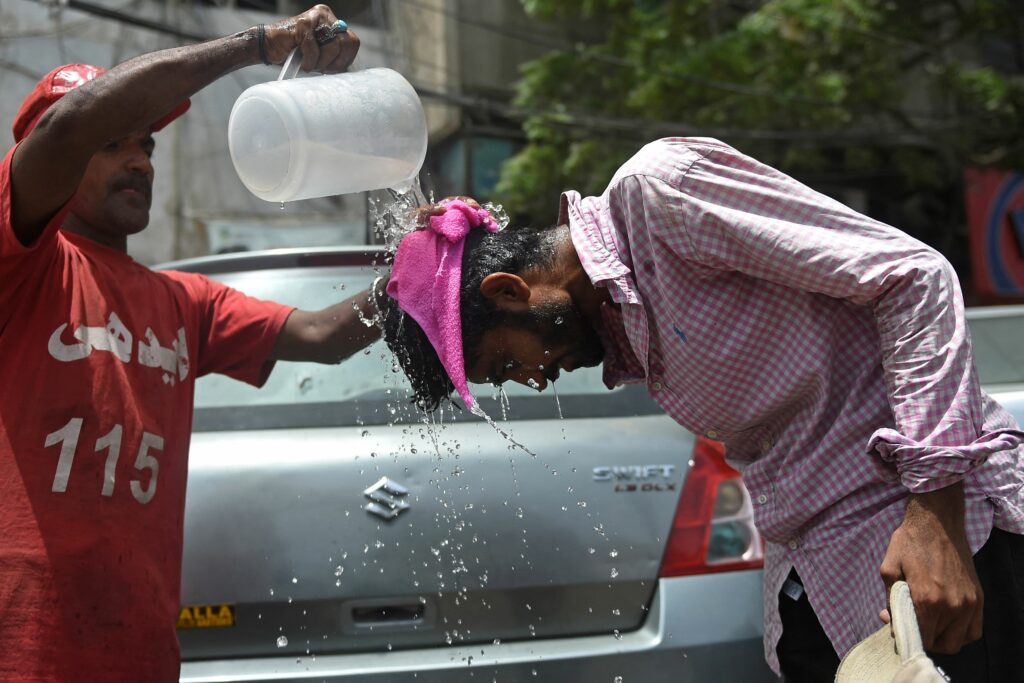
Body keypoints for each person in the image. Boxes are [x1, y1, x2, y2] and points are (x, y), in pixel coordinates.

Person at [382, 137, 1024, 681]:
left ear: (508, 290)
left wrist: (935, 517)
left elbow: (914, 277)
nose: (530, 379)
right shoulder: (620, 323)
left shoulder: (661, 195)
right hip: (828, 583)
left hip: (940, 552)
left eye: (505, 363)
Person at [0, 7, 385, 681]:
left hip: (140, 655)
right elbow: (69, 126)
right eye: (113, 143)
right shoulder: (22, 265)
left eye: (146, 146)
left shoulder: (184, 301)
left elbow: (322, 336)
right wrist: (259, 44)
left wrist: (425, 275)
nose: (139, 161)